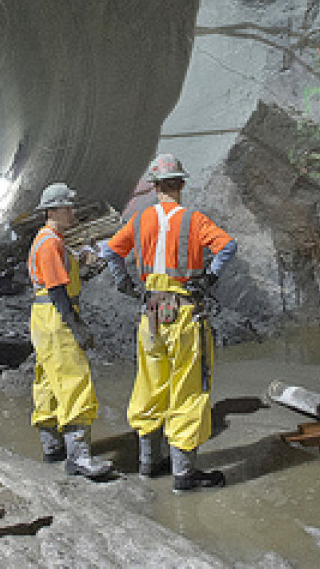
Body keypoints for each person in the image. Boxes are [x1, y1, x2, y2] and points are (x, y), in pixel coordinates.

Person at [101, 154, 236, 492]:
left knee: (149, 384)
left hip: (149, 314)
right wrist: (209, 278)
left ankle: (148, 462)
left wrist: (125, 284)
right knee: (187, 390)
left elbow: (109, 252)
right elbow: (227, 247)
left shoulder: (139, 219)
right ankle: (184, 474)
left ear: (155, 186)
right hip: (183, 313)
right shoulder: (193, 220)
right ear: (181, 185)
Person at [27, 182, 113, 479]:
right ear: (53, 210)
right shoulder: (50, 242)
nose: (72, 212)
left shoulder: (49, 240)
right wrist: (75, 325)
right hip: (55, 316)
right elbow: (56, 289)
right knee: (73, 379)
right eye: (68, 207)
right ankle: (79, 457)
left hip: (42, 317)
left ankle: (52, 448)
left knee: (49, 381)